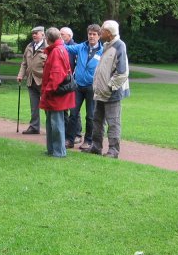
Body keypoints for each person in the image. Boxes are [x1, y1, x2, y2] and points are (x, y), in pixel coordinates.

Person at [85, 20, 129, 159]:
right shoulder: (106, 45)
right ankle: (96, 147)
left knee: (113, 122)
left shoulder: (119, 46)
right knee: (97, 120)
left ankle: (113, 151)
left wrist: (110, 87)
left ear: (109, 33)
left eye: (102, 30)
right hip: (101, 92)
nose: (100, 32)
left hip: (112, 93)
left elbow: (122, 73)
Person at [64, 24, 103, 150]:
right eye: (90, 34)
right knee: (73, 113)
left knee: (90, 115)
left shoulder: (103, 51)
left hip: (92, 87)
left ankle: (88, 140)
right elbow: (67, 48)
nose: (91, 36)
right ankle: (69, 139)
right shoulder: (81, 47)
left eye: (94, 34)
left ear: (99, 36)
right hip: (78, 86)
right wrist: (57, 40)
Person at [39, 27, 76, 157]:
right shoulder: (59, 49)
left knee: (56, 123)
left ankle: (59, 151)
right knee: (52, 122)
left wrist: (47, 91)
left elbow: (56, 74)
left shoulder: (56, 51)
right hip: (57, 93)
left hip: (55, 94)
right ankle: (52, 150)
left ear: (48, 39)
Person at [17, 26, 46, 134]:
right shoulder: (29, 46)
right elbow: (24, 63)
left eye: (36, 33)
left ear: (42, 34)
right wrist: (20, 75)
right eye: (33, 33)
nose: (34, 35)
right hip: (31, 80)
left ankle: (51, 128)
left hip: (43, 81)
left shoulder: (47, 47)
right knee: (34, 106)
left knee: (47, 106)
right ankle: (34, 127)